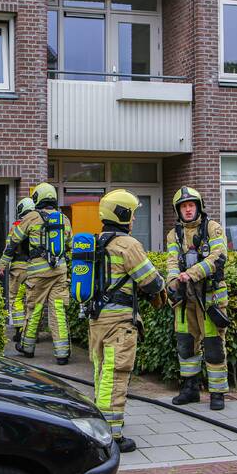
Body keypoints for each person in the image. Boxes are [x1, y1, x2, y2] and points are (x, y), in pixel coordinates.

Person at [89, 189, 167, 452]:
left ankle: (100, 424)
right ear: (122, 214)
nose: (133, 220)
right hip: (119, 322)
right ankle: (112, 436)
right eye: (132, 214)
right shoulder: (128, 245)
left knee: (102, 373)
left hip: (97, 319)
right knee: (117, 374)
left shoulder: (96, 241)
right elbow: (152, 282)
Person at [166, 186, 230, 411]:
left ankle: (217, 393)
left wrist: (192, 273)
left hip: (210, 297)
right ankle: (190, 389)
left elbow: (219, 256)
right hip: (185, 300)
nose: (188, 209)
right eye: (184, 206)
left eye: (191, 205)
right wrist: (173, 282)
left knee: (213, 345)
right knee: (186, 344)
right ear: (178, 210)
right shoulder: (174, 234)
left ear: (199, 206)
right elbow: (172, 262)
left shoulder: (213, 228)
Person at [0, 183, 73, 364]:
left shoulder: (31, 217)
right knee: (58, 312)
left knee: (34, 309)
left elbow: (14, 241)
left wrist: (3, 262)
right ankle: (62, 354)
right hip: (60, 272)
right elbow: (70, 246)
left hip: (38, 274)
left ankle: (27, 347)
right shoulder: (64, 219)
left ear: (37, 198)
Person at [0, 197, 36, 344]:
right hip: (35, 269)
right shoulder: (38, 225)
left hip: (18, 270)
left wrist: (2, 264)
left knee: (16, 300)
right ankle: (32, 332)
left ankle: (20, 330)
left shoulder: (16, 226)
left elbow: (10, 246)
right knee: (32, 301)